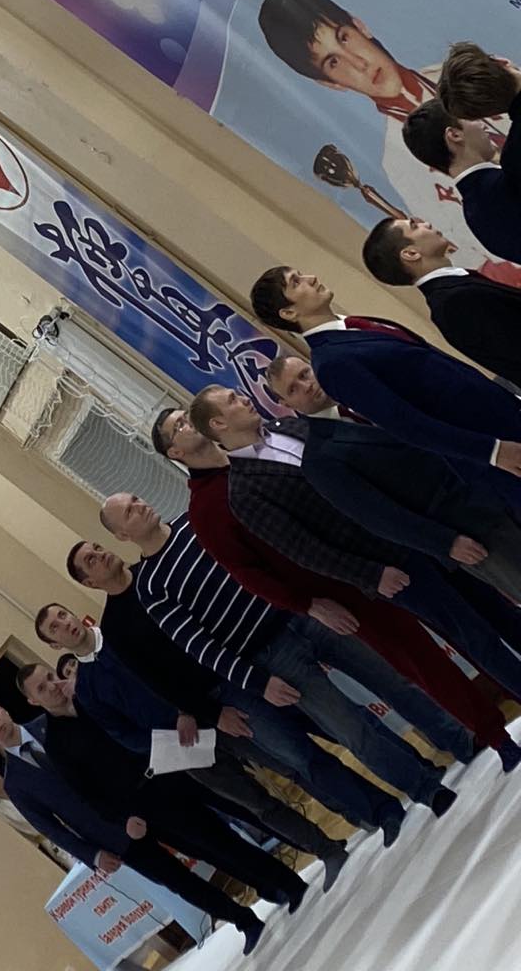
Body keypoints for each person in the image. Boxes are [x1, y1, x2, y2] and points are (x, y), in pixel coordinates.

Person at [171, 387, 521, 767]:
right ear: (219, 424)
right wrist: (369, 575)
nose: (243, 399)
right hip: (379, 565)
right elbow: (302, 547)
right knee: (468, 637)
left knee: (493, 607)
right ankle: (497, 733)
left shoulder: (290, 427)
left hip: (414, 529)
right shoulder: (243, 491)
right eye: (232, 401)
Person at [102, 490, 446, 846]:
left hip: (282, 630)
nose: (140, 506)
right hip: (235, 681)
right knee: (309, 752)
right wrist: (210, 710)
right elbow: (179, 659)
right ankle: (385, 808)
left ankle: (431, 761)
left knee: (368, 701)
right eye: (128, 512)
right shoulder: (142, 596)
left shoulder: (192, 527)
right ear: (122, 535)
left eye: (136, 500)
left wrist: (305, 603)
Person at [34, 602, 351, 884]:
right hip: (184, 748)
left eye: (62, 615)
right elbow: (123, 734)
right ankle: (325, 849)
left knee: (291, 763)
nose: (64, 623)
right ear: (54, 643)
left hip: (214, 709)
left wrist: (189, 709)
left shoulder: (120, 632)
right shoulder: (87, 688)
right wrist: (170, 741)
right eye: (54, 627)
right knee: (256, 804)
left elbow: (174, 662)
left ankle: (352, 808)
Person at [256, 0, 520, 283]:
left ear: (360, 25)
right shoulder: (397, 161)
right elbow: (479, 254)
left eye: (344, 37)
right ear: (329, 83)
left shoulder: (466, 74)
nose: (358, 62)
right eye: (333, 62)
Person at [0, 699, 268, 954]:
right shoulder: (15, 784)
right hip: (110, 835)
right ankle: (244, 920)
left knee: (210, 843)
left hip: (138, 798)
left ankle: (267, 881)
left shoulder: (51, 722)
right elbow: (51, 828)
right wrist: (93, 855)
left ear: (3, 709)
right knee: (179, 881)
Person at [14, 662, 309, 911]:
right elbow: (88, 792)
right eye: (41, 688)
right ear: (33, 701)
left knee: (249, 805)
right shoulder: (56, 744)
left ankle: (313, 845)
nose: (52, 686)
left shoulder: (91, 697)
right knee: (218, 842)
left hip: (176, 760)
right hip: (148, 797)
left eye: (50, 676)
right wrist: (123, 818)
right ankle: (285, 883)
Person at [248, 263, 521, 508]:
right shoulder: (331, 362)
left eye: (301, 273)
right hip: (486, 443)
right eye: (296, 282)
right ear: (289, 312)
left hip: (500, 410)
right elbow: (406, 423)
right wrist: (493, 451)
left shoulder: (355, 325)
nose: (311, 277)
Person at [264, 351, 521, 602]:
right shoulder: (319, 459)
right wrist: (445, 543)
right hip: (466, 525)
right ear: (286, 404)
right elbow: (375, 514)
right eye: (293, 389)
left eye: (304, 374)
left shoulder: (364, 394)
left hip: (490, 485)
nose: (307, 386)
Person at [363, 214, 521, 387]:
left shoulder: (455, 285)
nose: (427, 224)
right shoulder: (452, 302)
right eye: (415, 226)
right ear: (411, 253)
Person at [404, 90, 521, 264]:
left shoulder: (475, 218)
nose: (483, 125)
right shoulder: (511, 170)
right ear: (455, 135)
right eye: (472, 119)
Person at [0, 763, 73, 868]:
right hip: (49, 840)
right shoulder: (1, 812)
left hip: (63, 822)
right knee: (74, 864)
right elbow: (19, 837)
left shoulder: (19, 786)